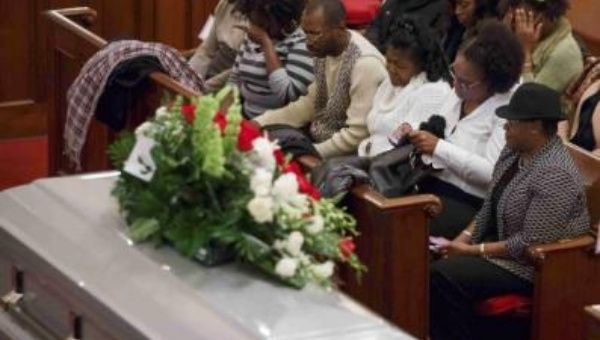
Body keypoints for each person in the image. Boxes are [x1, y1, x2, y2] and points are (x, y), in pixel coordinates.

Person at [429, 83, 590, 340]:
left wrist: (472, 251)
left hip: (535, 266)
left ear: (535, 126)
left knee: (443, 276)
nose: (504, 127)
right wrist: (463, 238)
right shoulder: (513, 150)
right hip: (502, 241)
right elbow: (490, 204)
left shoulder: (555, 173)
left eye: (512, 122)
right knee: (430, 238)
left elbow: (530, 243)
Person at [409, 20, 523, 239]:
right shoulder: (459, 92)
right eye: (454, 74)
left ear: (493, 81)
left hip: (468, 202)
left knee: (407, 230)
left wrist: (439, 148)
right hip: (427, 183)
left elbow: (493, 174)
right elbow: (439, 132)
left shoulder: (508, 108)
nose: (455, 86)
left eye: (465, 82)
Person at [253, 0, 387, 159]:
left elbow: (357, 135)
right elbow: (309, 105)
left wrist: (308, 153)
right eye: (305, 32)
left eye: (315, 33)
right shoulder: (323, 51)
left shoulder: (365, 64)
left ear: (340, 27)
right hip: (317, 141)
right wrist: (258, 123)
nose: (308, 42)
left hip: (349, 157)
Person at [358, 17, 452, 157]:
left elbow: (405, 148)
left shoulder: (434, 92)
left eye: (399, 65)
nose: (391, 68)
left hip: (392, 170)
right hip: (366, 157)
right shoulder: (390, 83)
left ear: (421, 65)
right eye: (388, 60)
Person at [229, 0, 315, 118]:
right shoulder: (253, 37)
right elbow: (234, 80)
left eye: (254, 15)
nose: (251, 22)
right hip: (244, 116)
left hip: (280, 124)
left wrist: (266, 44)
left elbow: (287, 95)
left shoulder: (302, 43)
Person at [501, 0, 583, 93]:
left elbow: (529, 100)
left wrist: (525, 52)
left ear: (547, 15)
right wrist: (505, 40)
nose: (520, 26)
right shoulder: (523, 34)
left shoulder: (564, 53)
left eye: (526, 18)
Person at [188, 0, 251, 93]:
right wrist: (189, 79)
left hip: (235, 83)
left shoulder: (260, 14)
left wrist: (202, 88)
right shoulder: (223, 4)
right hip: (209, 74)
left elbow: (241, 69)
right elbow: (205, 51)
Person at [365, 0, 450, 53]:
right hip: (376, 54)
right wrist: (371, 48)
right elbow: (376, 25)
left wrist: (382, 51)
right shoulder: (393, 2)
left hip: (406, 64)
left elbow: (428, 43)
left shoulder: (440, 6)